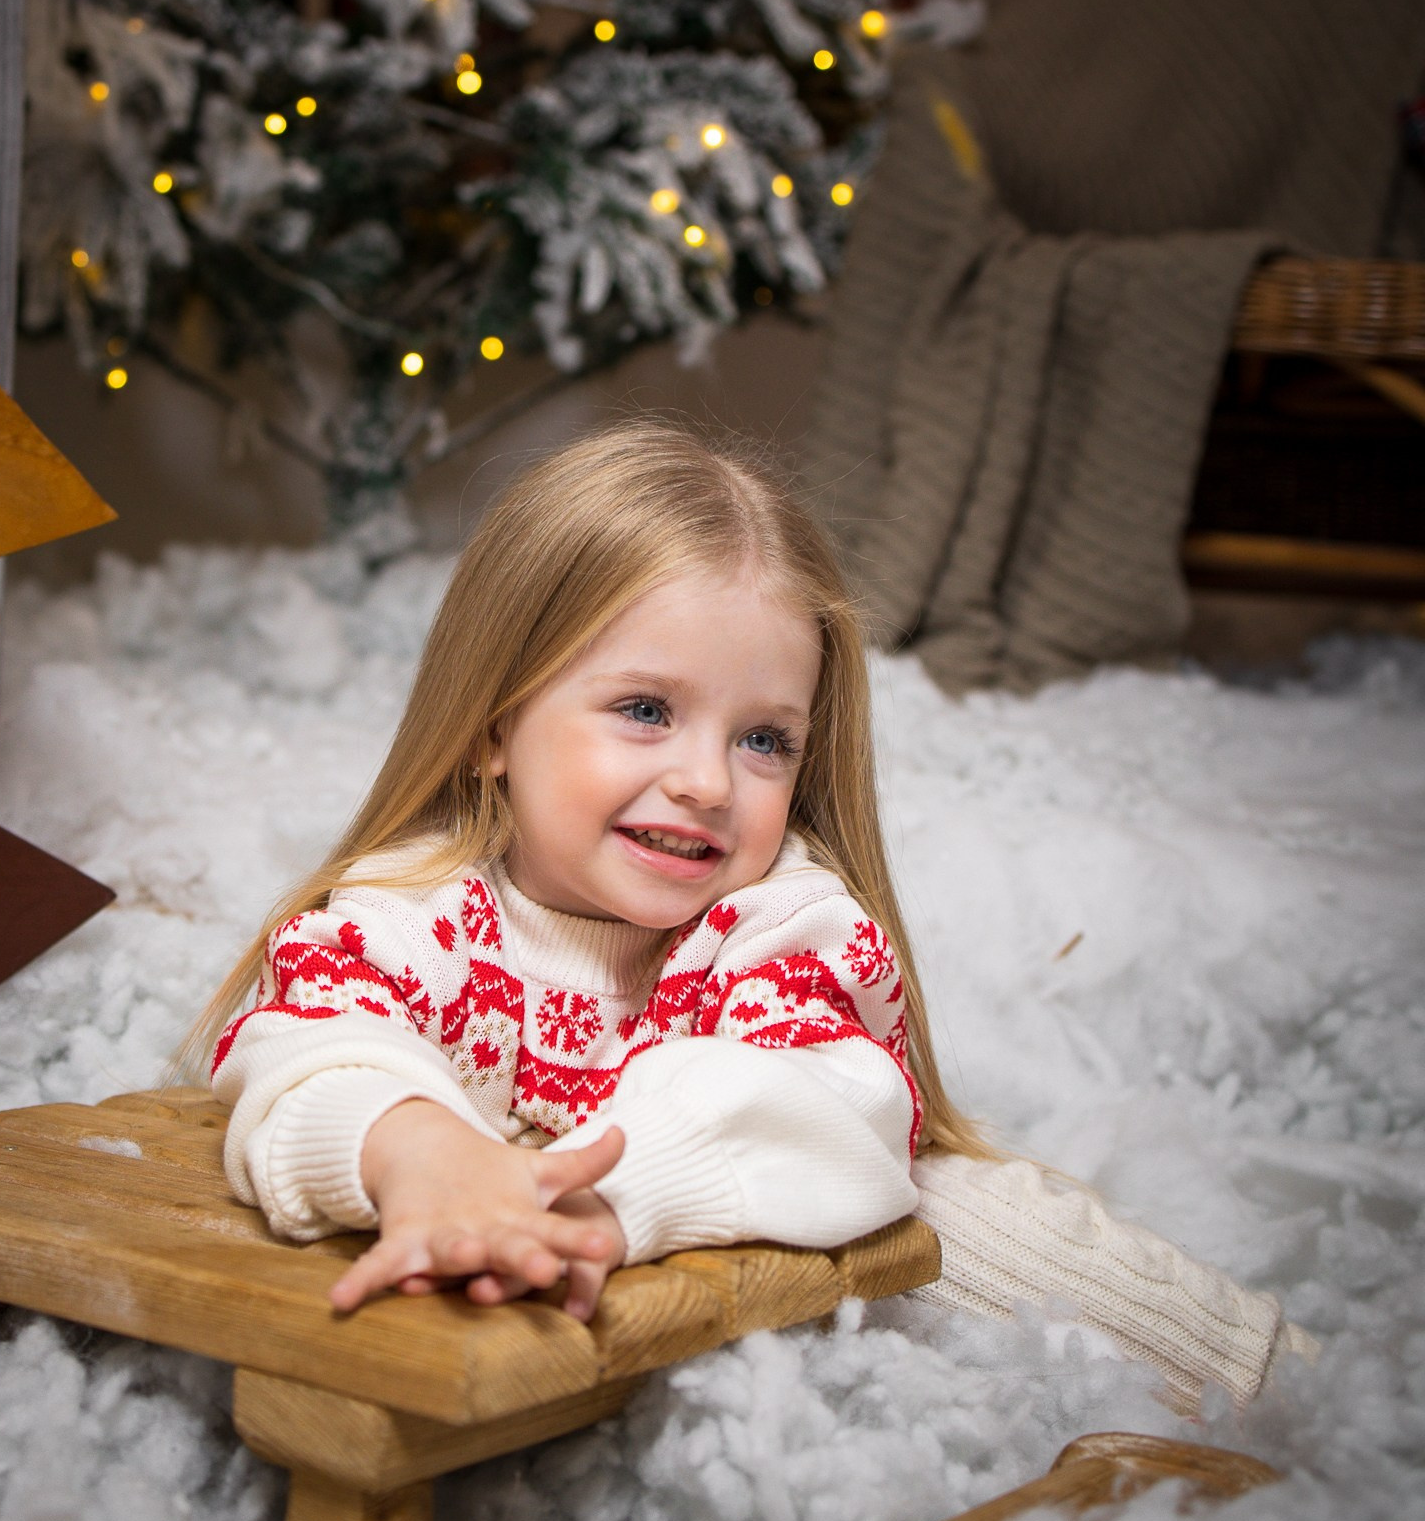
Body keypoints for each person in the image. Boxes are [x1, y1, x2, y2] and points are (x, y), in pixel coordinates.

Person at [197, 420, 1307, 1411]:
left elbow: (814, 1103)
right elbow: (313, 1048)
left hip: (890, 1246)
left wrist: (599, 1205)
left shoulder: (778, 922)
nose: (706, 783)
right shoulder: (411, 917)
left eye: (762, 739)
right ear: (491, 724)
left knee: (989, 1243)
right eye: (644, 711)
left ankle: (1293, 1391)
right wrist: (419, 1154)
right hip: (593, 1313)